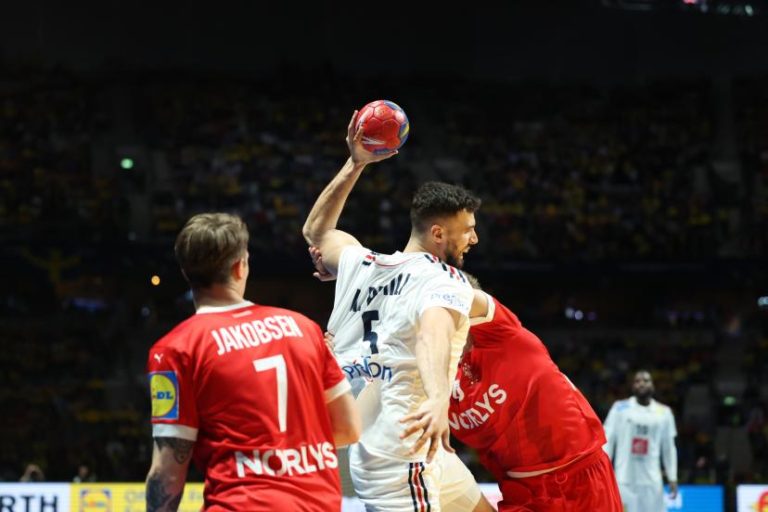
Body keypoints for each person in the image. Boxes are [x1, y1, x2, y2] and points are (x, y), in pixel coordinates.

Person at [303, 112, 493, 511]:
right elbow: (432, 334)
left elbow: (316, 232)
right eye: (468, 229)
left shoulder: (361, 263)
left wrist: (355, 163)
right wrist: (440, 399)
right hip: (403, 442)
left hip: (402, 438)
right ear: (438, 233)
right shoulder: (442, 279)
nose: (475, 238)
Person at [145, 212, 360, 512]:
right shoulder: (303, 328)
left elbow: (168, 471)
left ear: (185, 272)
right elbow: (348, 428)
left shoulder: (175, 349)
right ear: (240, 266)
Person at [433, 281, 623, 511]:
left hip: (581, 479)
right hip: (522, 493)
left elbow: (464, 297)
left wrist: (414, 285)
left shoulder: (504, 335)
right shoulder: (431, 377)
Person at [603, 370, 679, 512]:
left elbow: (669, 448)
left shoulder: (664, 412)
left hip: (652, 482)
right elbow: (608, 441)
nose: (642, 384)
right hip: (624, 480)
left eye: (646, 380)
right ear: (632, 386)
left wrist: (672, 477)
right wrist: (604, 473)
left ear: (653, 385)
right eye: (637, 381)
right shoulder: (619, 408)